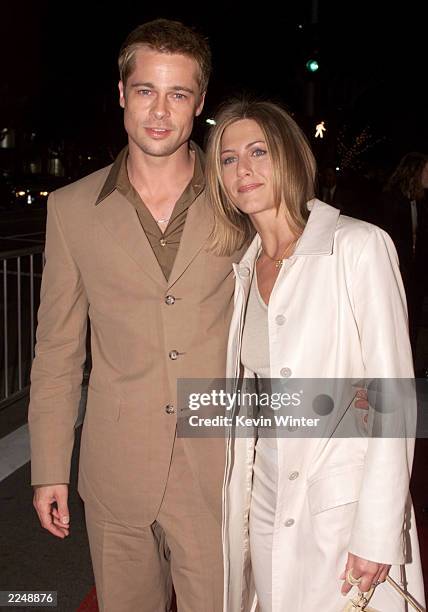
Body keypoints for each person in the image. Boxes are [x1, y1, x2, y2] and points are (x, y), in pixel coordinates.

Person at [28, 19, 243, 612]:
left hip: (220, 466)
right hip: (116, 467)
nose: (159, 111)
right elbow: (58, 351)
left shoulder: (240, 198)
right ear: (122, 93)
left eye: (178, 94)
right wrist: (48, 466)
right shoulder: (71, 209)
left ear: (200, 104)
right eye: (146, 90)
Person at [205, 99, 426, 611]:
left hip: (341, 506)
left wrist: (376, 531)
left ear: (289, 157)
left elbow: (393, 396)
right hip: (262, 496)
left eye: (258, 151)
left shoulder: (358, 247)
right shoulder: (243, 271)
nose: (244, 169)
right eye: (228, 158)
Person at [381, 152, 428, 349]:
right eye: (426, 170)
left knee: (414, 320)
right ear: (414, 173)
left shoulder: (422, 200)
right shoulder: (391, 200)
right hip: (397, 270)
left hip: (417, 272)